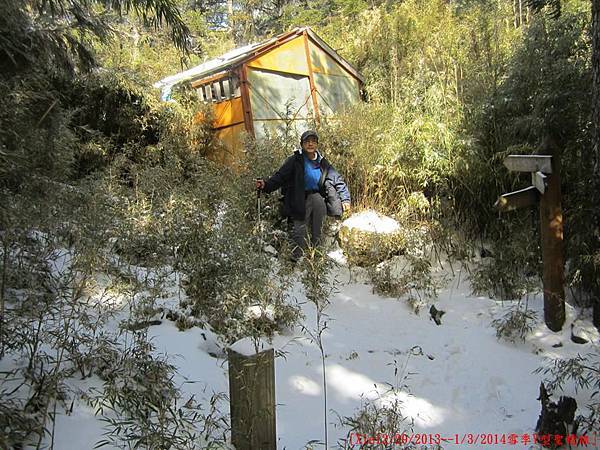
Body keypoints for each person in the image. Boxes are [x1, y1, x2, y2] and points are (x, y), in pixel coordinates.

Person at [256, 130, 351, 260]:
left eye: (313, 141)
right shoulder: (296, 160)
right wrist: (265, 185)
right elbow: (280, 176)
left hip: (317, 198)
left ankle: (316, 260)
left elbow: (337, 179)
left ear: (317, 144)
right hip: (299, 199)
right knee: (299, 231)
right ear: (302, 144)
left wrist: (345, 198)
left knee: (318, 230)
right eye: (307, 141)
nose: (310, 144)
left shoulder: (322, 162)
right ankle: (295, 260)